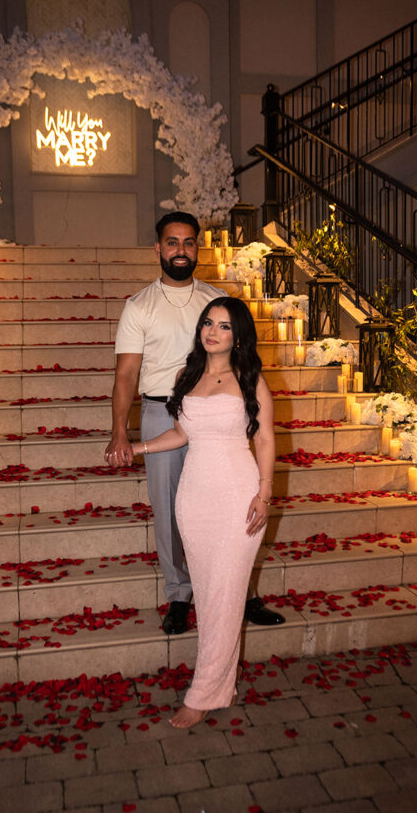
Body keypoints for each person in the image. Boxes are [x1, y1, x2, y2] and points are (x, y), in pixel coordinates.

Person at [104, 211, 284, 634]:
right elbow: (126, 375)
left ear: (197, 248)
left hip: (218, 416)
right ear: (158, 248)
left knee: (235, 508)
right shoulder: (138, 306)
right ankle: (180, 595)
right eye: (172, 242)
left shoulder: (216, 303)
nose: (180, 250)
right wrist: (120, 432)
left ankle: (243, 593)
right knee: (170, 512)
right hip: (162, 412)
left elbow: (241, 359)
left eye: (188, 242)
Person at [129, 297, 275, 728]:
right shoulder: (186, 375)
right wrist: (139, 447)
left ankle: (203, 694)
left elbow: (265, 439)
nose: (213, 331)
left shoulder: (250, 378)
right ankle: (221, 685)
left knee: (226, 596)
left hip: (238, 495)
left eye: (224, 326)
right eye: (208, 323)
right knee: (210, 596)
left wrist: (264, 494)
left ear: (238, 335)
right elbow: (180, 432)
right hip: (194, 498)